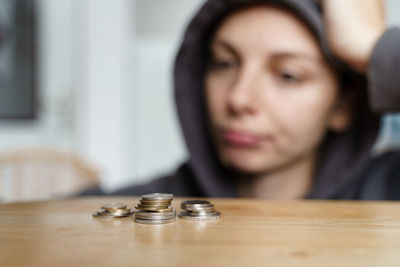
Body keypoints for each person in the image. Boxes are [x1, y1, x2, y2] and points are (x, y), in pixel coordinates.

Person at [81, 0, 400, 200]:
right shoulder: (139, 208)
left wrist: (370, 46)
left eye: (288, 75)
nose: (238, 98)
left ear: (344, 105)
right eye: (223, 63)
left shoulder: (387, 192)